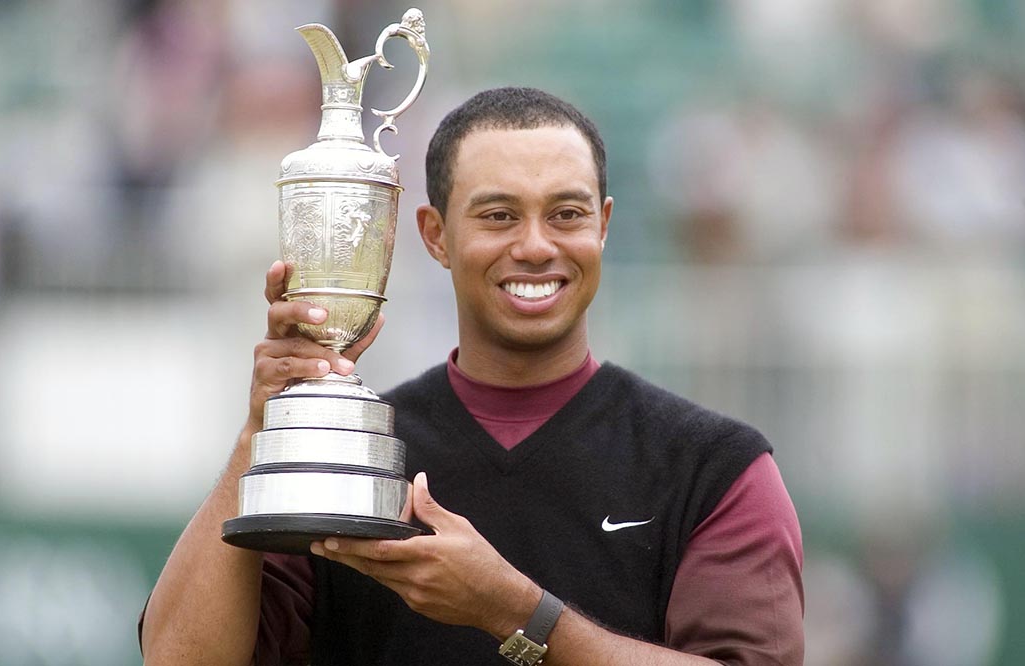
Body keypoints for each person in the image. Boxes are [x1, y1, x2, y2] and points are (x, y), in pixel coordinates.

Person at [139, 87, 803, 666]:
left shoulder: (715, 467)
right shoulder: (350, 454)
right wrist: (264, 430)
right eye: (499, 215)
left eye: (566, 214)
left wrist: (515, 612)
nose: (537, 245)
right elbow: (178, 659)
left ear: (602, 226)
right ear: (434, 235)